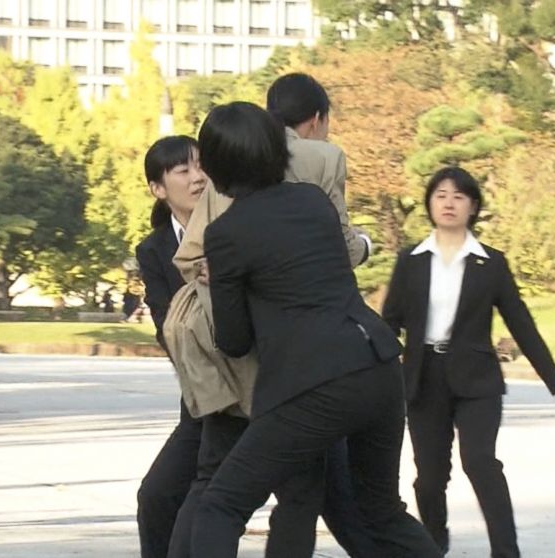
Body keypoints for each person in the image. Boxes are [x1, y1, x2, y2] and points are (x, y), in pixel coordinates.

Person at [188, 101, 440, 558]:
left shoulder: (226, 234)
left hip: (312, 385)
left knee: (220, 505)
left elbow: (235, 340)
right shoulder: (313, 201)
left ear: (214, 165)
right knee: (380, 510)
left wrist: (224, 282)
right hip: (378, 366)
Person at [170, 73, 380, 557]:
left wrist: (221, 275)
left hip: (244, 359)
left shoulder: (221, 212)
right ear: (315, 120)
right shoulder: (320, 170)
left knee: (215, 485)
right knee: (306, 491)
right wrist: (367, 247)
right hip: (313, 360)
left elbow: (194, 261)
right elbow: (339, 247)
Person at [382, 166, 555, 558]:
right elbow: (389, 323)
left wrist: (554, 381)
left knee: (480, 461)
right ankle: (434, 546)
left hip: (477, 380)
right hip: (423, 378)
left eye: (458, 196)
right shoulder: (411, 260)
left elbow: (522, 324)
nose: (449, 203)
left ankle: (506, 551)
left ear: (472, 206)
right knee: (430, 479)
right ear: (430, 204)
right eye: (440, 195)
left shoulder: (491, 263)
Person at [134, 136, 207, 558]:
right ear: (158, 189)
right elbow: (168, 328)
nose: (197, 177)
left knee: (344, 506)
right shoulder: (154, 249)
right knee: (157, 499)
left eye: (201, 166)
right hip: (203, 401)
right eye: (183, 170)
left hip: (267, 392)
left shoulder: (234, 227)